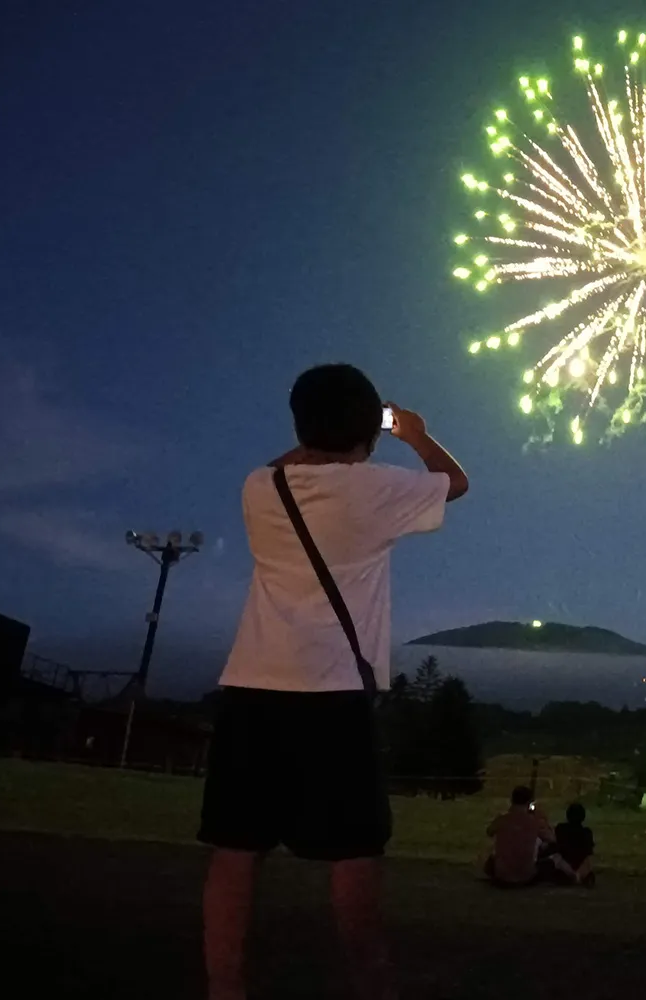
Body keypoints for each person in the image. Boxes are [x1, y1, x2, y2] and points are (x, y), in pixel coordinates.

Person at [197, 363, 468, 1000]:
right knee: (353, 850)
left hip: (252, 686)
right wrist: (414, 433)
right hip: (333, 692)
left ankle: (224, 989)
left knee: (235, 850)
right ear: (365, 432)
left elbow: (286, 460)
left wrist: (324, 434)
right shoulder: (375, 490)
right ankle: (371, 983)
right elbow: (453, 483)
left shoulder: (259, 487)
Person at [484, 785, 572, 886]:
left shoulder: (501, 820)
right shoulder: (534, 821)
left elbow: (489, 832)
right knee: (555, 858)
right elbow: (552, 839)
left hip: (501, 877)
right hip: (526, 877)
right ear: (529, 803)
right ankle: (575, 876)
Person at [554, 803, 596, 886]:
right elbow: (589, 852)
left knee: (556, 859)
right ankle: (580, 876)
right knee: (588, 861)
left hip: (565, 862)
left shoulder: (561, 829)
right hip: (581, 863)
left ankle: (570, 876)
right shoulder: (586, 832)